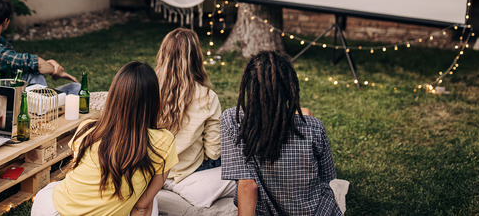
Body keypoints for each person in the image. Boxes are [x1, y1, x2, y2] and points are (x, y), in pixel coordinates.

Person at [31, 61, 178, 216]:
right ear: (153, 100)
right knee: (150, 200)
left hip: (51, 210)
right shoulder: (164, 141)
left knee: (52, 189)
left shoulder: (88, 128)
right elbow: (141, 206)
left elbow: (78, 171)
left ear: (114, 96)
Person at [221, 51, 341, 215]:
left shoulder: (233, 120)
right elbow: (327, 175)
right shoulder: (314, 127)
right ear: (290, 88)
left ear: (249, 85)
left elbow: (248, 186)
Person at [154, 28, 234, 205]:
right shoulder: (207, 96)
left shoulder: (147, 88)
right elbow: (214, 152)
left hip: (153, 169)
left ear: (163, 55)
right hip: (188, 170)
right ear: (196, 58)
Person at [0, 0, 79, 94]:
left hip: (9, 91)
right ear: (5, 21)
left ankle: (51, 101)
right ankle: (45, 109)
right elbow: (29, 62)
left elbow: (20, 63)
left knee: (75, 88)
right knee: (33, 75)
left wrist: (49, 66)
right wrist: (54, 70)